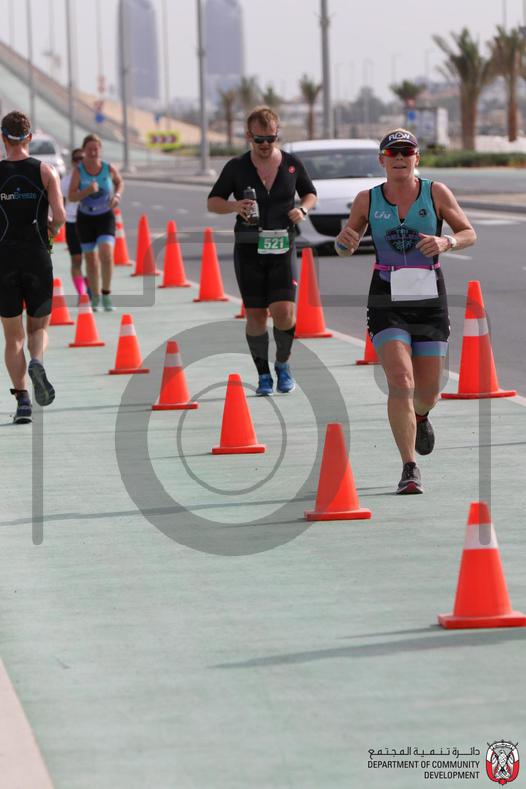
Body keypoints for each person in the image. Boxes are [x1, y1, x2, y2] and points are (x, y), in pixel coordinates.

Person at [335, 128, 476, 494]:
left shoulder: (436, 192)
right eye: (392, 153)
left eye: (406, 152)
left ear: (417, 158)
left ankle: (422, 414)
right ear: (381, 160)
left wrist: (446, 241)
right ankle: (409, 467)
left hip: (429, 296)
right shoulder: (367, 199)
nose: (399, 158)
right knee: (401, 380)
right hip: (387, 296)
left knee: (427, 391)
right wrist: (343, 243)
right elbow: (346, 244)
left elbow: (468, 232)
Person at [207, 106, 317, 396]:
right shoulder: (236, 167)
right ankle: (263, 374)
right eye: (260, 140)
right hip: (249, 249)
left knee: (284, 312)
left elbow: (310, 193)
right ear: (249, 137)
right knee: (256, 316)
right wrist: (234, 206)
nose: (266, 144)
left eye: (271, 138)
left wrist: (303, 209)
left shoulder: (291, 164)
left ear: (277, 134)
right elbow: (213, 201)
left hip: (283, 246)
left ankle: (283, 364)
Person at [0, 111, 65, 423]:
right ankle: (37, 360)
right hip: (37, 256)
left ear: (3, 137)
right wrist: (51, 229)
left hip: (4, 259)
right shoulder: (46, 171)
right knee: (38, 328)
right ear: (28, 138)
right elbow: (60, 216)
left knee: (13, 337)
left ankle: (23, 401)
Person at [68, 133, 123, 311]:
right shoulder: (79, 171)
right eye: (89, 149)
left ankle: (106, 294)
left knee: (106, 254)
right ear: (84, 150)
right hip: (85, 218)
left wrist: (117, 195)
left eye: (96, 149)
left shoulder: (108, 168)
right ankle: (96, 297)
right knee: (91, 260)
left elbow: (119, 182)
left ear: (100, 150)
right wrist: (87, 191)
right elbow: (71, 196)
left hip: (105, 216)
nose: (93, 152)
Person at [61, 148, 89, 301]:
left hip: (91, 222)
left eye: (82, 159)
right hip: (72, 222)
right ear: (72, 162)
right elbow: (60, 202)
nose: (79, 162)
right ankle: (82, 293)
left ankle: (92, 291)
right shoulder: (65, 181)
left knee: (92, 259)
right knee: (76, 260)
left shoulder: (92, 178)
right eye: (76, 159)